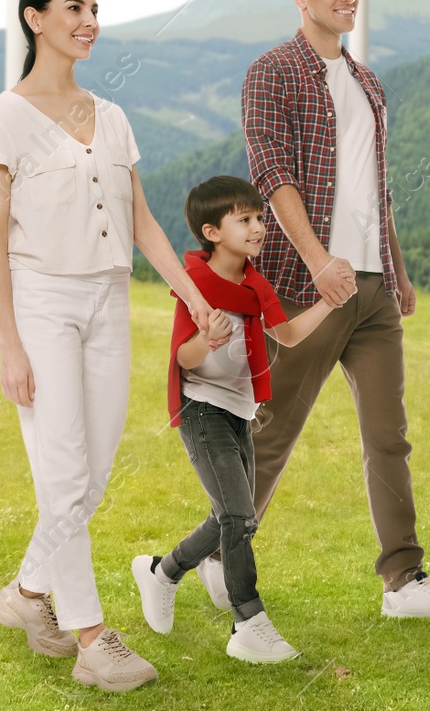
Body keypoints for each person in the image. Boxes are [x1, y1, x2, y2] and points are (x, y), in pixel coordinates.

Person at [0, 0, 226, 693]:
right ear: (35, 19)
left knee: (92, 477)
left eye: (94, 8)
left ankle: (25, 594)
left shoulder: (111, 115)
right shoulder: (2, 116)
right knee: (62, 475)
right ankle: (92, 639)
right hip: (42, 303)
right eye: (73, 7)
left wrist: (194, 293)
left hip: (108, 302)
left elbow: (141, 220)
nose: (89, 20)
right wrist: (8, 342)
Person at [223, 0, 430, 618]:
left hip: (373, 289)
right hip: (311, 286)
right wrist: (317, 261)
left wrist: (398, 268)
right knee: (273, 432)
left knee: (388, 434)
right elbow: (272, 173)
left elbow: (376, 188)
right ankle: (221, 557)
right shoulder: (271, 72)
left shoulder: (369, 83)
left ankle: (404, 579)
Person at [130, 176, 334, 663]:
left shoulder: (256, 284)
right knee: (241, 516)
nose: (259, 227)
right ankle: (249, 622)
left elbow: (284, 335)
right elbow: (184, 356)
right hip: (203, 410)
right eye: (244, 220)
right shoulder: (195, 285)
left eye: (260, 218)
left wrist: (331, 303)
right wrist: (210, 339)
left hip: (242, 413)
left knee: (231, 514)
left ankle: (163, 570)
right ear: (212, 231)